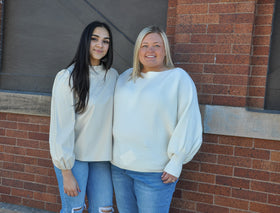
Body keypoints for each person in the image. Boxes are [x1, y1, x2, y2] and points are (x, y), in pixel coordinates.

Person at [111, 26, 203, 213]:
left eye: (156, 45)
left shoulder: (178, 78)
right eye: (144, 45)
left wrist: (177, 161)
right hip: (120, 168)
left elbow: (189, 121)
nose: (150, 50)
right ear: (138, 50)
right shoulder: (124, 78)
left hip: (156, 173)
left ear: (165, 51)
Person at [49, 21, 118, 213]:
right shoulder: (68, 77)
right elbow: (61, 127)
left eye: (106, 41)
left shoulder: (113, 76)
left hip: (101, 158)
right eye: (95, 39)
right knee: (75, 210)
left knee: (104, 209)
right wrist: (66, 171)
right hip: (74, 159)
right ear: (85, 41)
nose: (100, 45)